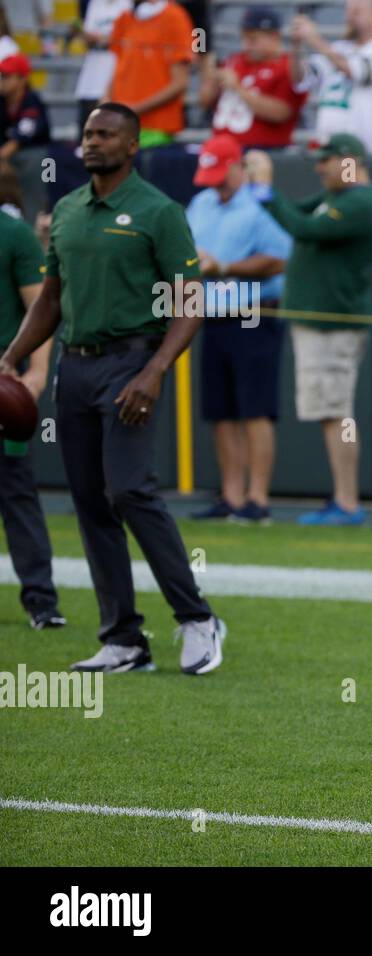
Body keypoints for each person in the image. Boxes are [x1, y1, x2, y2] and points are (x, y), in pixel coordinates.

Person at [0, 104, 227, 673]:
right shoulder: (70, 209)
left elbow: (189, 301)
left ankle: (197, 618)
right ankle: (124, 638)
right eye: (88, 133)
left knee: (130, 491)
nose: (92, 142)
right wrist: (12, 355)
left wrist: (154, 371)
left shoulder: (160, 210)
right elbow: (50, 297)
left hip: (132, 364)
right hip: (74, 368)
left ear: (132, 146)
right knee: (90, 502)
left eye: (106, 134)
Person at [246, 134, 372, 526]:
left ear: (350, 161)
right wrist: (260, 188)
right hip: (318, 324)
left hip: (333, 324)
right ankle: (342, 498)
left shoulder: (362, 201)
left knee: (338, 413)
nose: (319, 167)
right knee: (331, 412)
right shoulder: (337, 197)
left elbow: (303, 228)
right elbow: (290, 212)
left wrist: (266, 187)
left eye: (327, 160)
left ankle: (347, 500)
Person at [186, 134, 292, 525]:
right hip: (212, 315)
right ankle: (230, 496)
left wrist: (225, 267)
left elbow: (279, 260)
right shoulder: (201, 203)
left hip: (254, 314)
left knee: (255, 409)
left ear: (237, 167)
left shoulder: (261, 206)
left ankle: (257, 499)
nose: (215, 181)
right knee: (221, 412)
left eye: (221, 173)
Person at [0, 168, 63, 629]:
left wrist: (37, 373)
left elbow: (40, 307)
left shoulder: (14, 235)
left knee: (16, 490)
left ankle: (41, 598)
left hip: (2, 387)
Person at [292, 0, 372, 156]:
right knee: (340, 179)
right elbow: (302, 79)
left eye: (357, 11)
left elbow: (355, 70)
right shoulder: (338, 47)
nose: (349, 17)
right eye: (348, 11)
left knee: (355, 180)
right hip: (331, 151)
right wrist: (297, 46)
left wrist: (314, 39)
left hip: (367, 151)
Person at [202, 6, 307, 151]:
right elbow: (205, 101)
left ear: (274, 37)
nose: (246, 44)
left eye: (253, 39)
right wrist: (212, 80)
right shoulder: (235, 61)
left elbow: (282, 113)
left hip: (263, 149)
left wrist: (238, 88)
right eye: (244, 37)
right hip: (222, 148)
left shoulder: (287, 67)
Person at [105, 0, 195, 148]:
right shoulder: (124, 18)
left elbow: (180, 83)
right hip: (120, 126)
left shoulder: (175, 17)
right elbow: (116, 69)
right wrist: (106, 106)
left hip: (155, 129)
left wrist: (134, 109)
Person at [71, 0, 132, 128]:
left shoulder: (129, 4)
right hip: (92, 72)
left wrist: (103, 39)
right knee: (87, 125)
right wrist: (83, 35)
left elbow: (131, 37)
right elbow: (88, 39)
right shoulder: (93, 3)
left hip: (116, 69)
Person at [0, 53, 48, 161]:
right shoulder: (2, 100)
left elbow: (20, 138)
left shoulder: (31, 100)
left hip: (37, 158)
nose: (2, 81)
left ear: (22, 79)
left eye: (7, 76)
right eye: (2, 76)